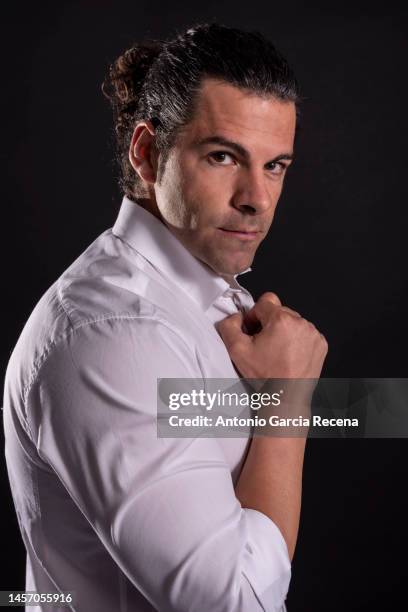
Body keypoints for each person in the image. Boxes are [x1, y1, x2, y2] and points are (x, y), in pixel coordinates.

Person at [3, 23, 328, 612]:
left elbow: (367, 411)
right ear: (149, 154)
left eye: (276, 165)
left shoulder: (197, 298)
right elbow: (236, 602)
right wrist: (288, 402)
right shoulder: (112, 335)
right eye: (224, 156)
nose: (256, 196)